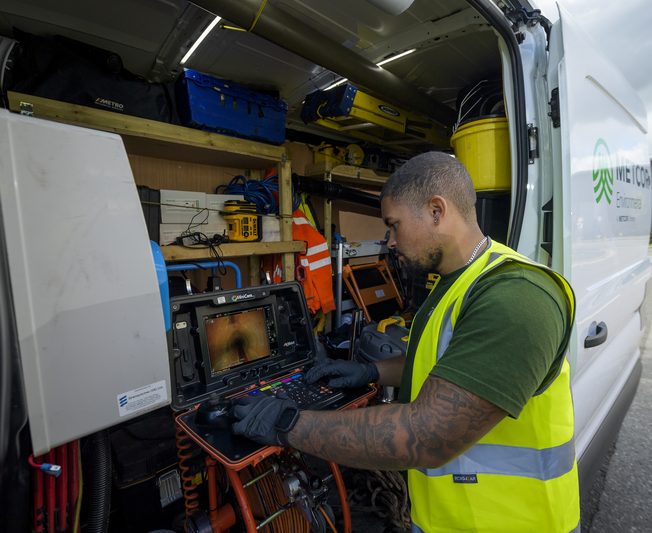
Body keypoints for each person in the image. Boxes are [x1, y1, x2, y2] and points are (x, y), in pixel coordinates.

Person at [231, 152, 579, 532]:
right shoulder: (453, 283)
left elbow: (426, 436)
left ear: (436, 211)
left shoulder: (516, 297)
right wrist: (372, 371)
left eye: (393, 225)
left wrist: (287, 424)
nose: (390, 241)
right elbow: (449, 364)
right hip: (442, 519)